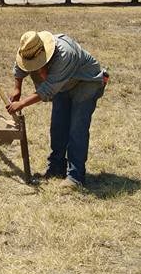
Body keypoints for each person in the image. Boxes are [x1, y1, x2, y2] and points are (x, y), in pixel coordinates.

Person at [6, 30, 107, 188]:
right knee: (58, 126)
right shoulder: (29, 48)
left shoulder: (65, 54)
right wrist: (17, 88)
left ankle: (76, 177)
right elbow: (20, 66)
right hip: (62, 85)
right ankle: (56, 167)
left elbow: (48, 89)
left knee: (76, 128)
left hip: (86, 83)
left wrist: (22, 103)